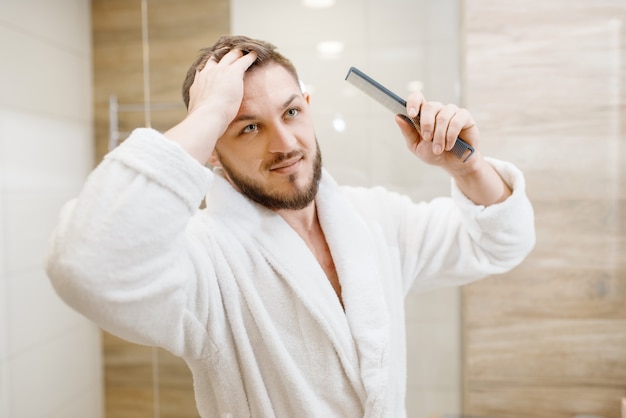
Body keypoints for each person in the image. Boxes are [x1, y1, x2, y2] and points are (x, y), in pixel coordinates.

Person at [45, 35, 535, 418]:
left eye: (291, 112)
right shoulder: (204, 261)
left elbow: (498, 243)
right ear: (212, 147)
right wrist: (209, 112)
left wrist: (467, 168)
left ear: (307, 105)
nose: (285, 144)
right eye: (248, 127)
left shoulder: (373, 221)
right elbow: (87, 265)